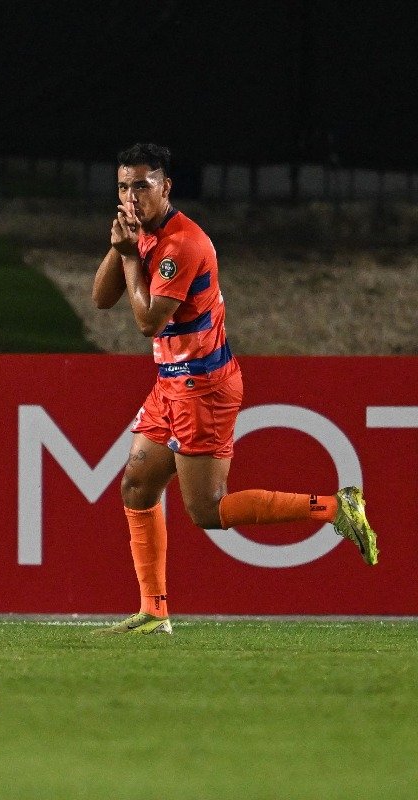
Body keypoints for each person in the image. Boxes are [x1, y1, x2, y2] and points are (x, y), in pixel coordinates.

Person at [90, 143, 378, 635]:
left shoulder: (182, 245)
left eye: (142, 185)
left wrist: (130, 257)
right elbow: (101, 299)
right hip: (171, 382)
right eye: (123, 186)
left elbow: (146, 322)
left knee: (208, 511)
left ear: (167, 187)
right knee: (136, 487)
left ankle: (335, 507)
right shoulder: (144, 238)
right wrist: (121, 247)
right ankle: (153, 611)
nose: (131, 196)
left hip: (202, 388)